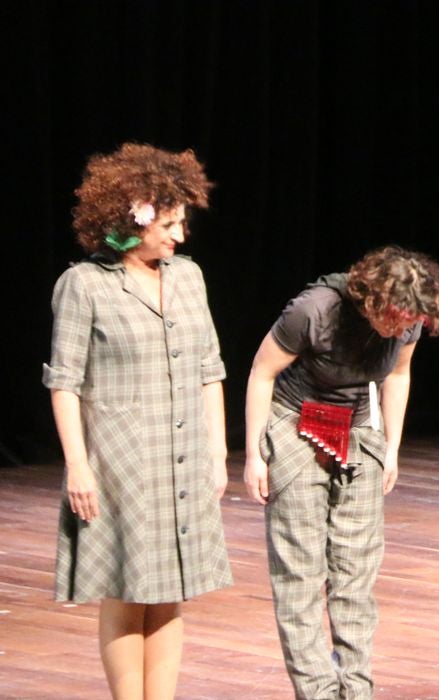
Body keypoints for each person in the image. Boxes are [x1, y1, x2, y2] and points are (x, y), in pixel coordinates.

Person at [43, 143, 231, 699]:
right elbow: (64, 382)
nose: (180, 236)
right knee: (126, 590)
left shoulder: (189, 278)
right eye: (170, 224)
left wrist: (217, 454)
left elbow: (209, 370)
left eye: (181, 223)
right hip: (120, 458)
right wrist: (78, 466)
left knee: (170, 589)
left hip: (182, 455)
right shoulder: (86, 285)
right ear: (136, 218)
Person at [243, 245, 439, 699]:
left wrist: (391, 449)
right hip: (295, 423)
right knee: (299, 570)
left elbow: (398, 376)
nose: (402, 328)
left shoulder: (409, 320)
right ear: (372, 301)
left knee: (355, 571)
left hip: (357, 428)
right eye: (395, 317)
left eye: (410, 321)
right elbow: (262, 373)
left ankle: (355, 691)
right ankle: (317, 692)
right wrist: (254, 455)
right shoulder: (315, 310)